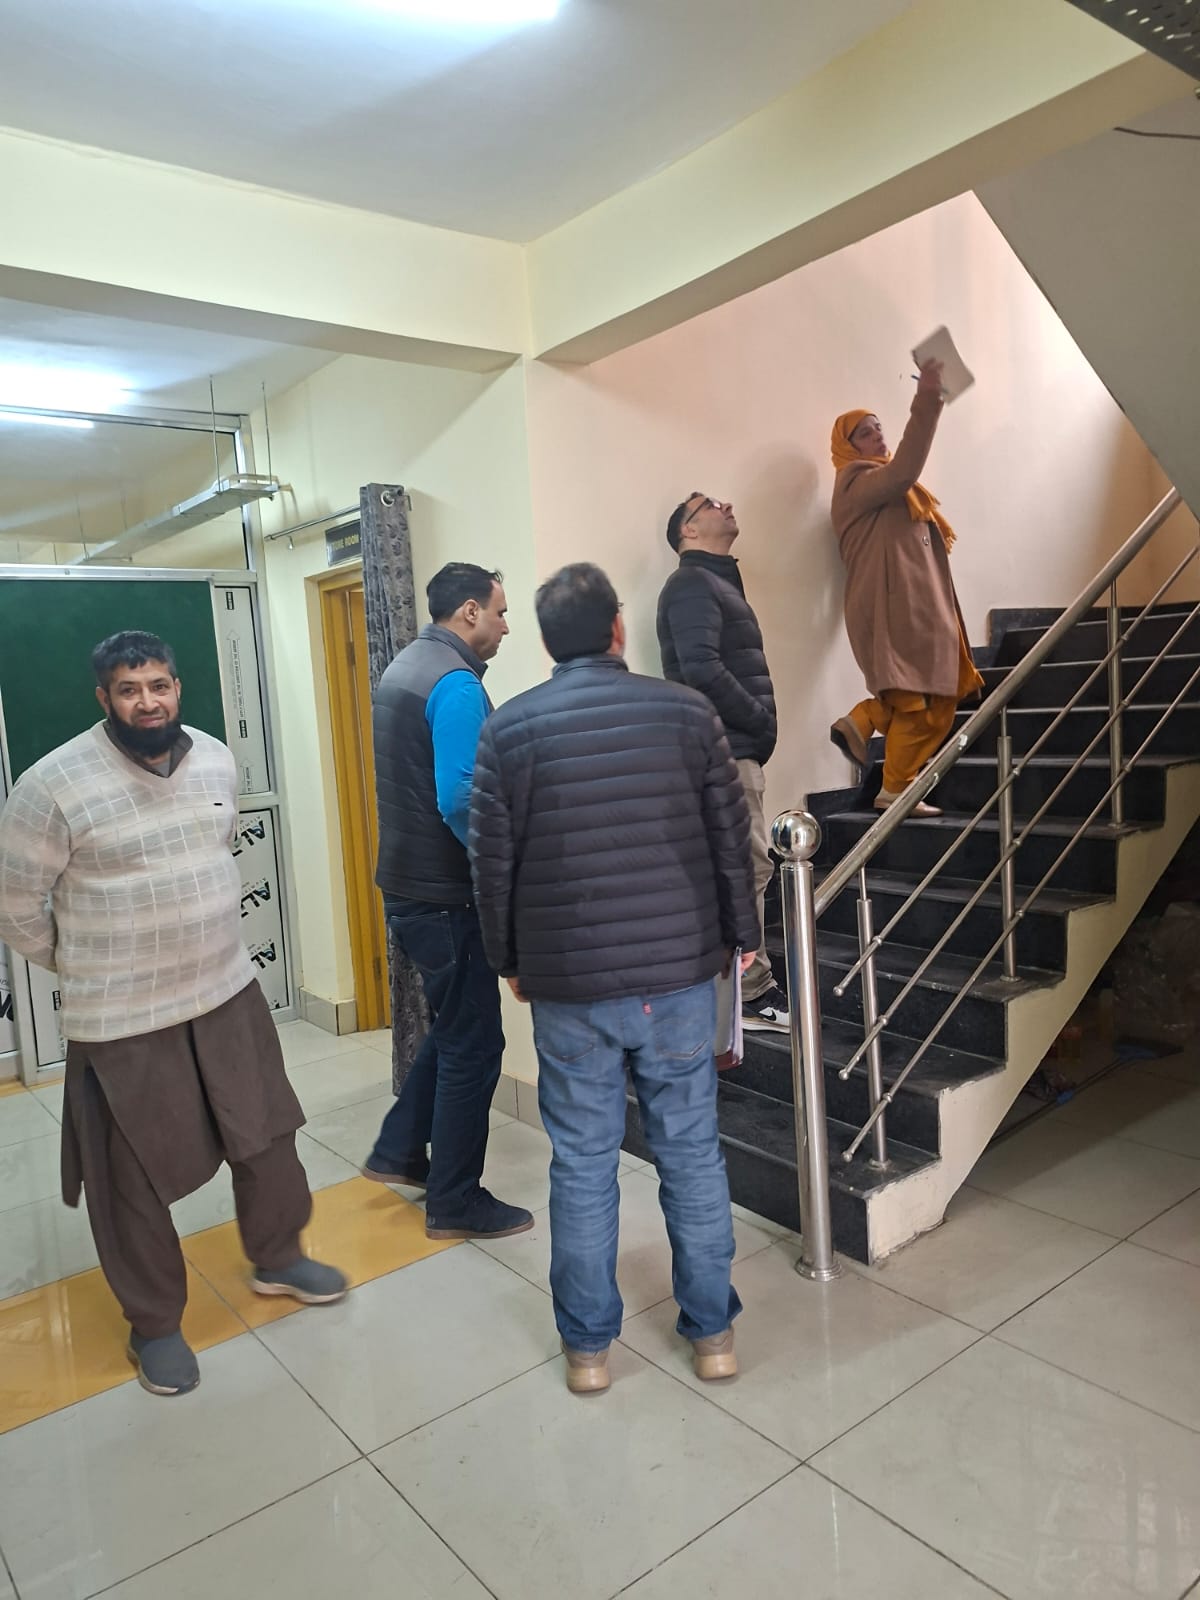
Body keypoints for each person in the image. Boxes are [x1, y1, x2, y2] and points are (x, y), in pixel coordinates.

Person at [0, 631, 347, 1398]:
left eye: (158, 685)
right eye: (129, 690)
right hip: (121, 1018)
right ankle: (155, 1323)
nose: (147, 702)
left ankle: (279, 1257)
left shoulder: (217, 759)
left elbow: (216, 848)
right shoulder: (51, 784)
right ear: (104, 698)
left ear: (178, 687)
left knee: (268, 1134)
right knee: (130, 1174)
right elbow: (16, 907)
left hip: (226, 992)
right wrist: (93, 960)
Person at [471, 562, 758, 1396]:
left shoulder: (508, 730)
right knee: (692, 1154)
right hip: (677, 977)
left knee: (582, 1163)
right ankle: (714, 1337)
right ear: (618, 629)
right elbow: (729, 835)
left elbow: (492, 865)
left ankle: (588, 1352)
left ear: (548, 641)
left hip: (568, 986)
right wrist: (743, 937)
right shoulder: (688, 712)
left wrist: (510, 959)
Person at [364, 562, 533, 1242]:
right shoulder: (456, 683)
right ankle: (455, 1201)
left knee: (454, 1025)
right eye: (500, 611)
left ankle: (400, 1149)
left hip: (408, 888)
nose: (505, 625)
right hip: (444, 895)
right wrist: (498, 864)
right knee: (475, 1044)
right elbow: (461, 797)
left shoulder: (405, 666)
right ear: (468, 611)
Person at [829, 358, 983, 816]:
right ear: (847, 448)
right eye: (865, 433)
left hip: (916, 612)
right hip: (892, 612)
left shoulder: (889, 490)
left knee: (935, 699)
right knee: (923, 703)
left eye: (879, 428)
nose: (878, 437)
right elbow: (905, 467)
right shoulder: (857, 482)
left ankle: (867, 722)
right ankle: (893, 784)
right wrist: (928, 397)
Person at [658, 492, 788, 1033]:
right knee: (749, 867)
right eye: (709, 503)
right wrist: (758, 720)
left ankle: (741, 991)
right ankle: (752, 994)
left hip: (728, 747)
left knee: (741, 867)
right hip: (727, 749)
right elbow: (702, 669)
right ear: (688, 531)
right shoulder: (692, 583)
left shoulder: (713, 581)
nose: (726, 504)